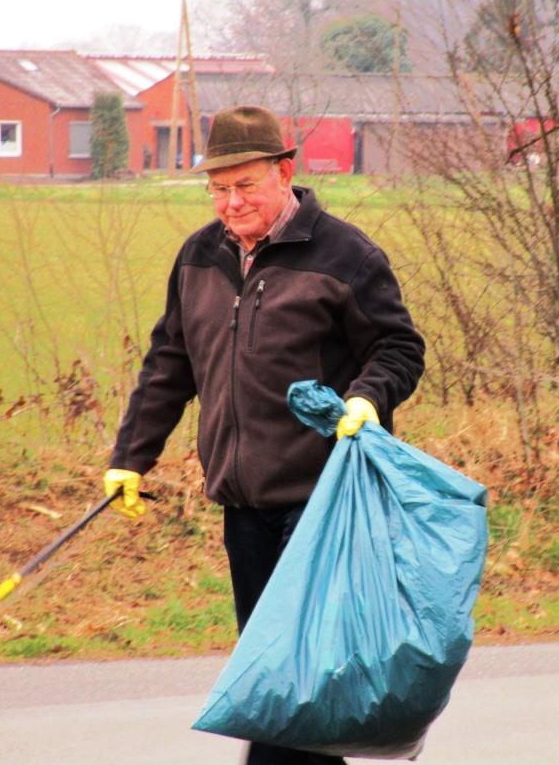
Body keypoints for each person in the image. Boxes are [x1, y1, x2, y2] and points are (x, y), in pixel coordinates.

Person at [103, 105, 424, 765]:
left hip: (325, 502)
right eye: (218, 188)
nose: (231, 202)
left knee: (286, 684)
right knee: (289, 686)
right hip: (244, 505)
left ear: (284, 172)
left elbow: (398, 347)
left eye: (245, 185)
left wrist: (366, 398)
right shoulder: (199, 257)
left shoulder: (347, 255)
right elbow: (170, 363)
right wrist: (131, 457)